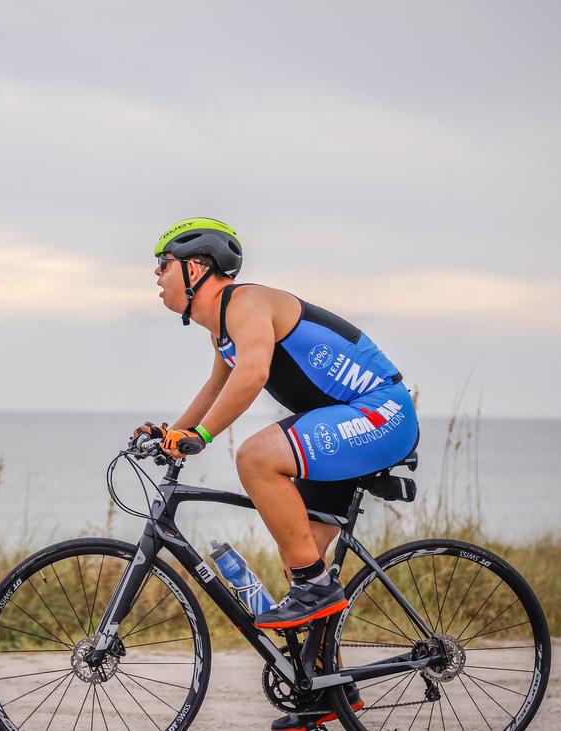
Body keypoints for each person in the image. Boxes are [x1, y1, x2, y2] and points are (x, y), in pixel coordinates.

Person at [135, 217, 420, 731]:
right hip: (342, 422)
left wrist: (202, 437)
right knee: (301, 557)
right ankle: (330, 690)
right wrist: (170, 434)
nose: (156, 275)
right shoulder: (221, 329)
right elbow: (216, 388)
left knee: (255, 457)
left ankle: (315, 588)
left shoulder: (246, 303)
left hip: (381, 413)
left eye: (164, 264)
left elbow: (253, 374)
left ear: (196, 268)